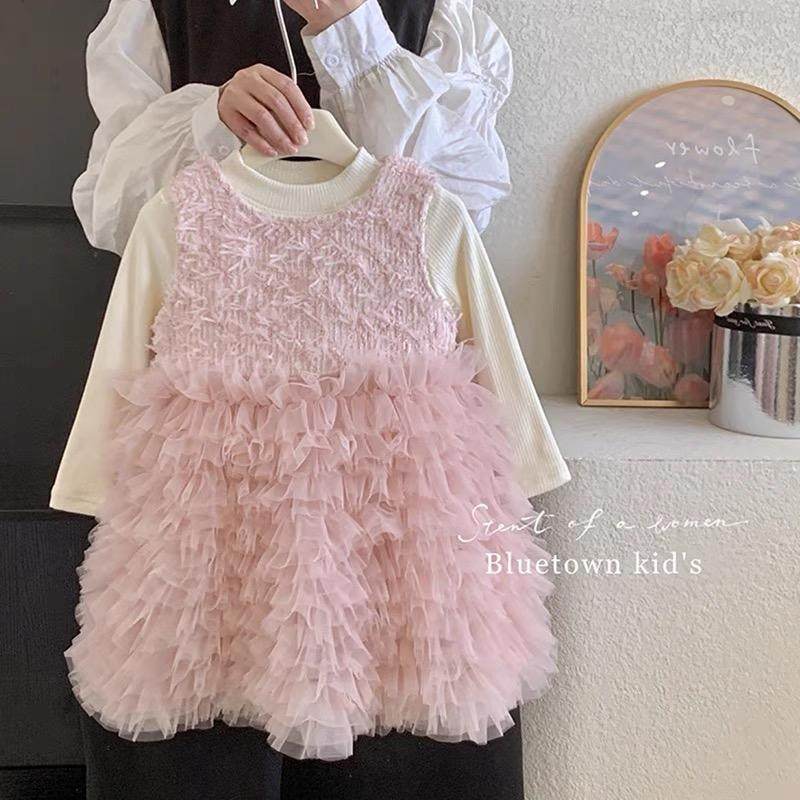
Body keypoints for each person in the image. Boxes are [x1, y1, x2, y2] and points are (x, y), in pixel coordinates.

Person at [74, 0, 514, 257]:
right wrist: (213, 122)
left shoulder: (442, 14)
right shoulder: (153, 10)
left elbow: (460, 217)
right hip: (216, 344)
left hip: (389, 349)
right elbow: (112, 213)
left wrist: (360, 44)